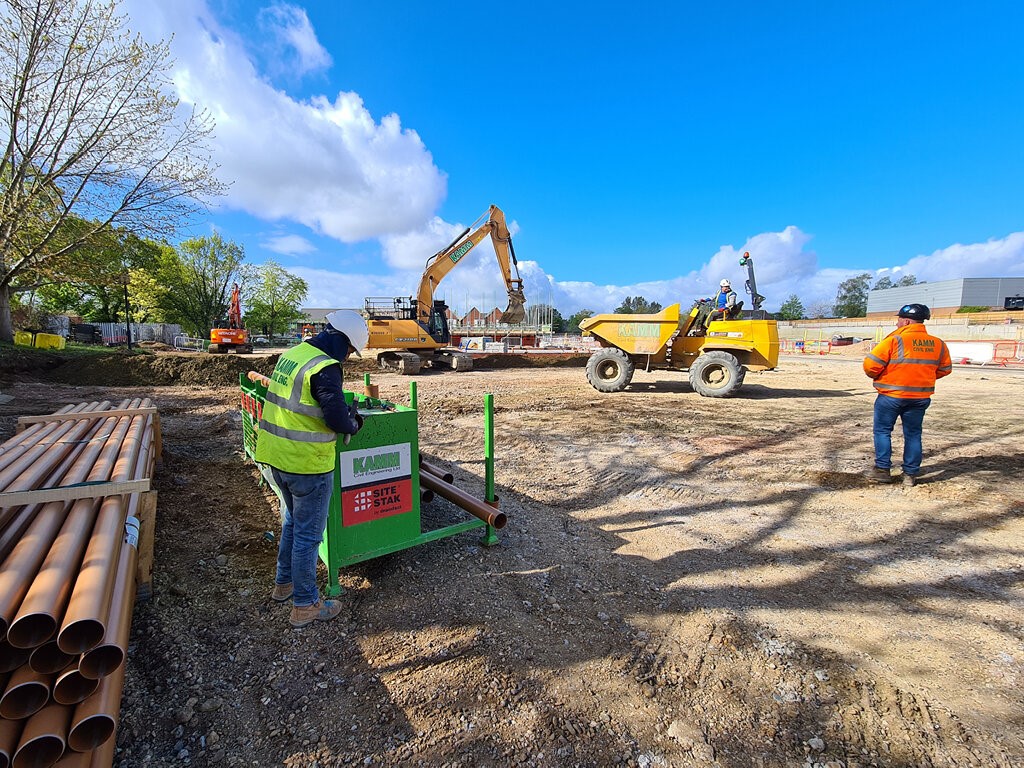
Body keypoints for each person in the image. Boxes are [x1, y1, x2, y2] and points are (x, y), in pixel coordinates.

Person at [254, 309, 369, 628]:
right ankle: (305, 605)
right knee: (308, 535)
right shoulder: (326, 367)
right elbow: (334, 418)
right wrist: (353, 424)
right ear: (341, 340)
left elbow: (302, 404)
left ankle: (284, 584)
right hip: (307, 465)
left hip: (277, 457)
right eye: (350, 350)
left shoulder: (294, 355)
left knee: (292, 522)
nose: (348, 357)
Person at [862, 303, 952, 487]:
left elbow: (870, 365)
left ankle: (882, 470)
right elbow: (945, 369)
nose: (896, 324)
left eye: (899, 320)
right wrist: (922, 379)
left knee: (882, 431)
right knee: (913, 434)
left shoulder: (894, 340)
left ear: (907, 321)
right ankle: (910, 474)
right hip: (919, 398)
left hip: (891, 395)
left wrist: (881, 375)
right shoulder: (938, 344)